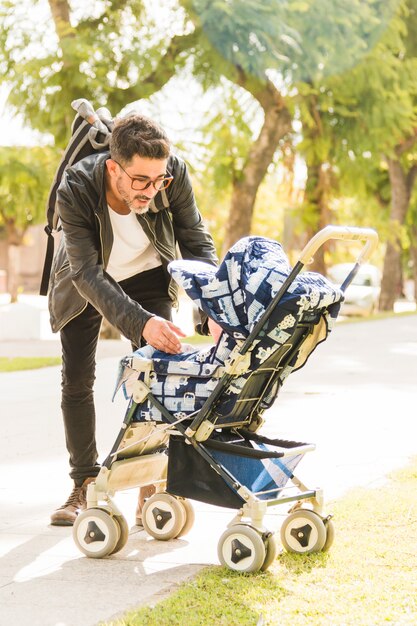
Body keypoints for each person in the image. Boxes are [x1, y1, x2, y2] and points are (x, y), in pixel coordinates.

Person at [48, 113, 218, 526]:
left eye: (158, 180)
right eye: (140, 180)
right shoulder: (76, 187)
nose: (151, 189)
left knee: (157, 376)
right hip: (86, 280)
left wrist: (212, 309)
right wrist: (141, 323)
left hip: (146, 275)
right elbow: (86, 272)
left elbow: (196, 243)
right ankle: (85, 483)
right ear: (113, 167)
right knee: (76, 380)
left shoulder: (170, 174)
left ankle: (152, 484)